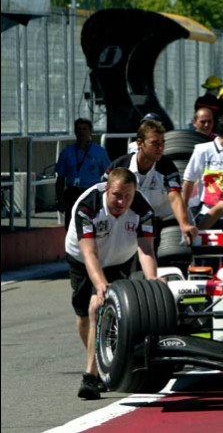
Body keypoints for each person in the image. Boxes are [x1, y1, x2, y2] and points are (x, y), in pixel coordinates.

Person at [65, 167, 157, 400]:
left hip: (119, 259)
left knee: (100, 307)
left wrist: (153, 281)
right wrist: (100, 284)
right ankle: (99, 358)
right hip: (82, 258)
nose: (122, 201)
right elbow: (90, 254)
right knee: (85, 314)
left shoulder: (143, 209)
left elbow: (146, 249)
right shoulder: (88, 206)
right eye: (117, 195)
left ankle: (91, 376)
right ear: (107, 189)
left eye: (128, 196)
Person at [106, 120, 198, 251]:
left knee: (148, 258)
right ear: (140, 143)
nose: (160, 148)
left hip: (152, 222)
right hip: (121, 220)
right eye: (155, 143)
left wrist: (184, 225)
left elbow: (175, 197)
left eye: (162, 143)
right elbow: (103, 194)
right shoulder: (119, 165)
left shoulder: (167, 167)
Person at [56, 118, 111, 230]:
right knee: (72, 227)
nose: (81, 132)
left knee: (92, 226)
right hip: (72, 193)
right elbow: (60, 178)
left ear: (90, 131)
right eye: (79, 129)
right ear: (75, 132)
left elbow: (108, 176)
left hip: (92, 194)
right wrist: (60, 200)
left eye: (85, 129)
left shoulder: (99, 152)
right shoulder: (67, 152)